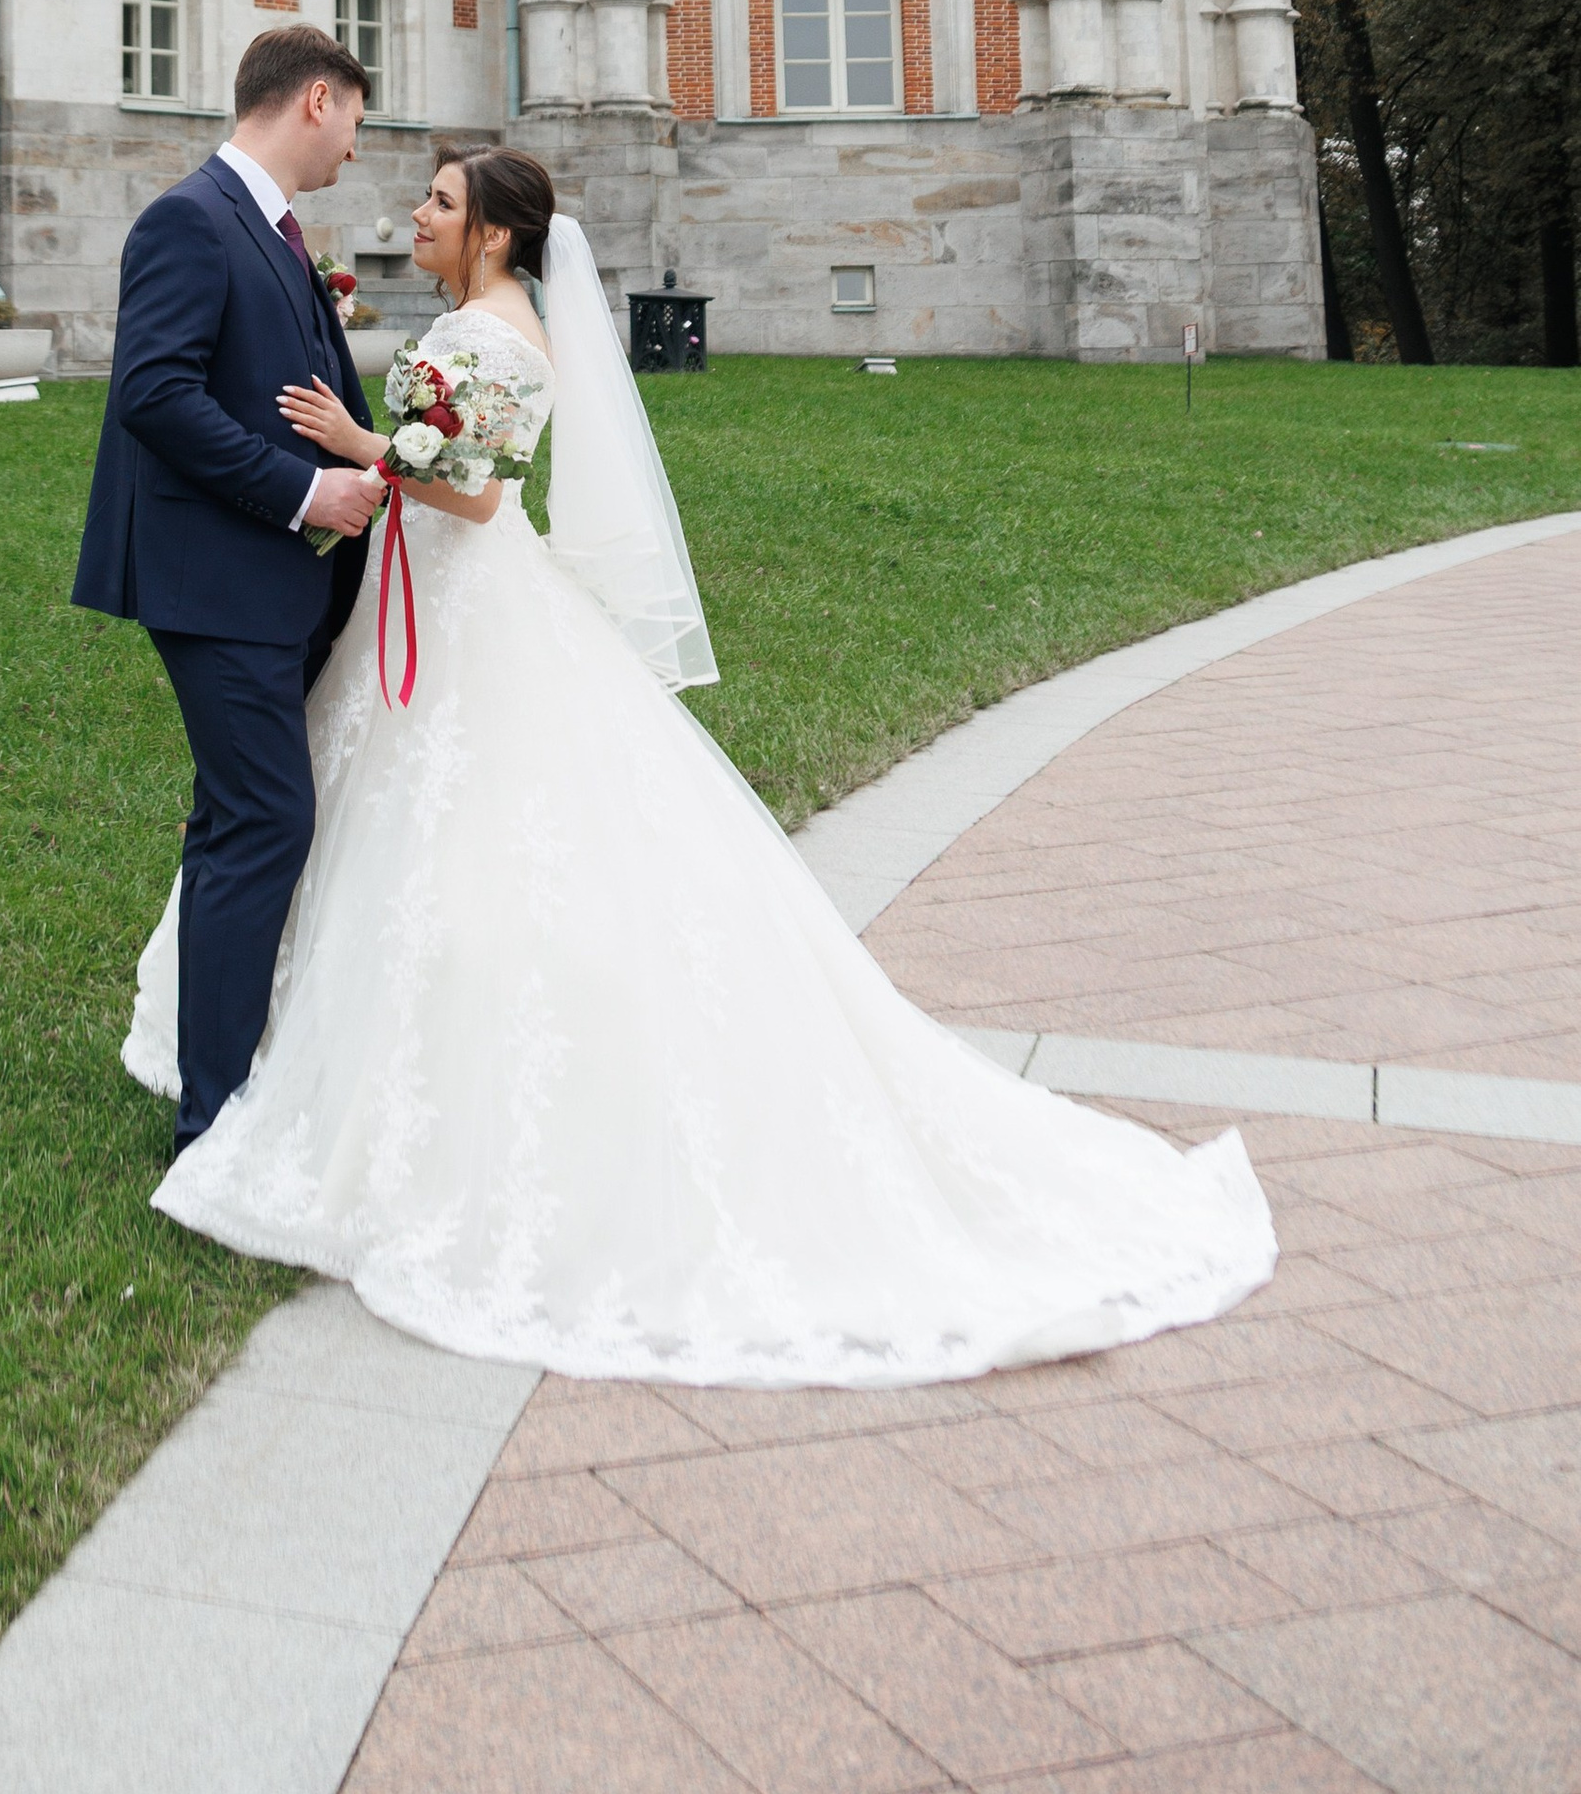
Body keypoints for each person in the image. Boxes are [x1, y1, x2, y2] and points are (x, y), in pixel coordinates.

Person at [124, 147, 1278, 1389]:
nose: (420, 211)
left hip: (468, 600)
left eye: (443, 203)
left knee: (475, 827)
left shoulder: (503, 335)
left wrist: (361, 438)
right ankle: (271, 1051)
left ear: (499, 238)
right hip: (421, 611)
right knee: (362, 807)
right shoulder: (473, 318)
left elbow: (476, 499)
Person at [74, 24, 387, 1154]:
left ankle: (211, 1083)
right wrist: (306, 493)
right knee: (265, 819)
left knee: (235, 820)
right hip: (211, 578)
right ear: (314, 99)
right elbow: (152, 396)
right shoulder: (188, 219)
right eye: (355, 115)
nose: (358, 142)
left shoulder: (270, 232)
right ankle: (214, 1119)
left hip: (264, 584)